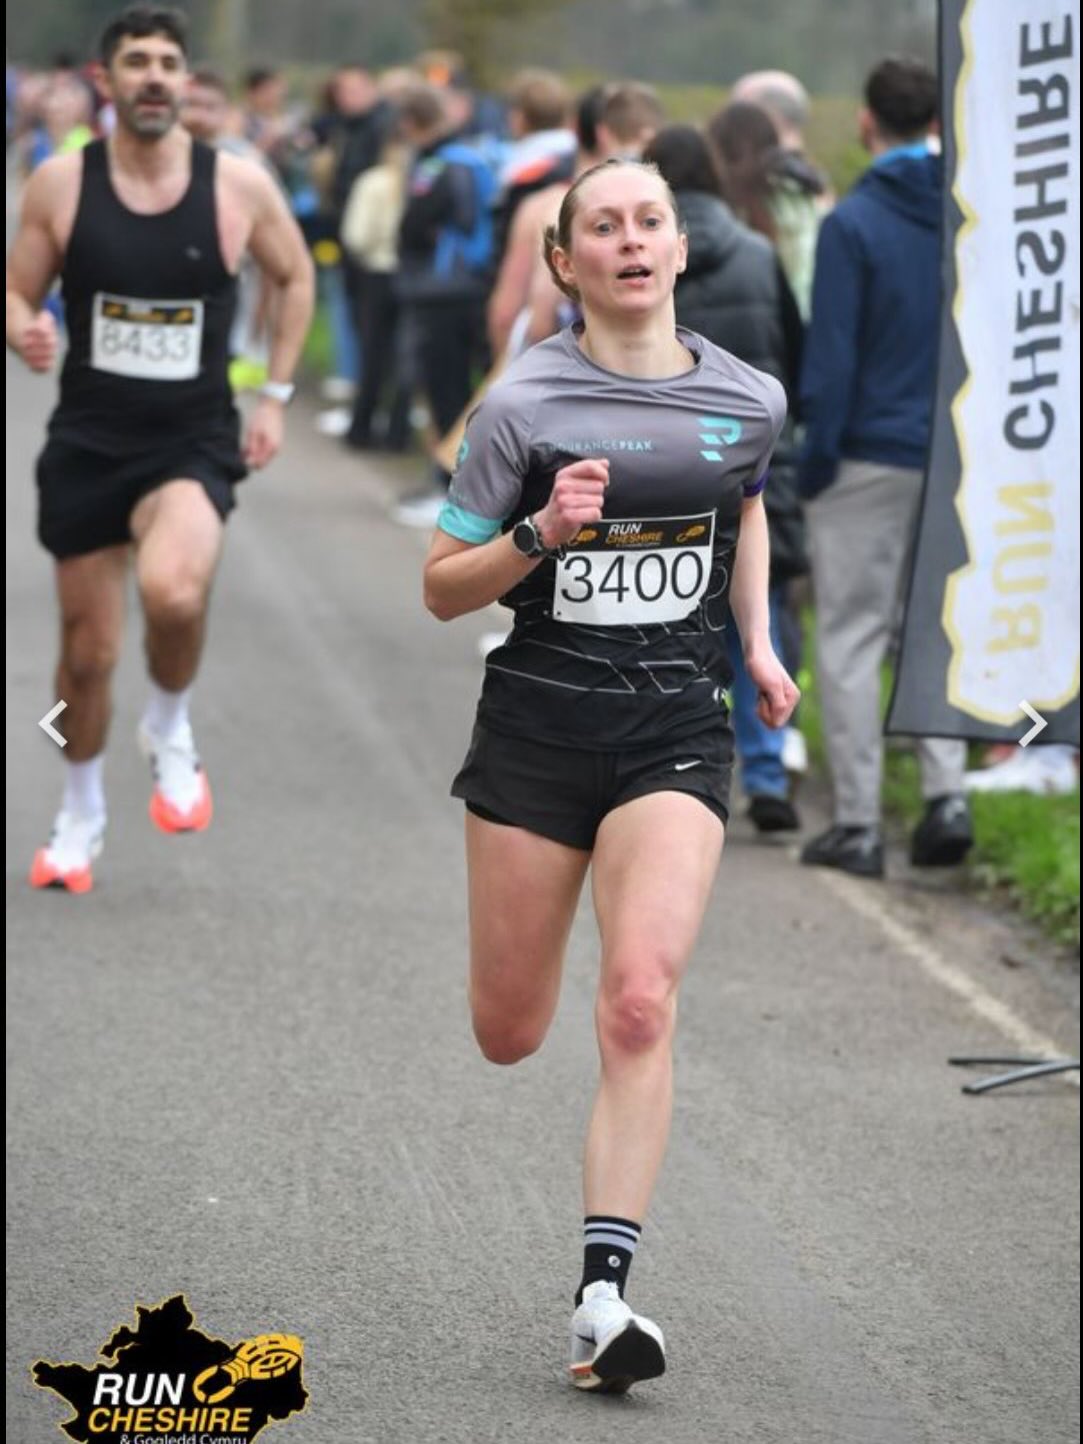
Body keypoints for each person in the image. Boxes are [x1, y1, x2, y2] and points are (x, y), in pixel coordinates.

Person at [422, 157, 798, 1392]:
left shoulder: (748, 398)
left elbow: (740, 506)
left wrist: (755, 644)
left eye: (652, 222)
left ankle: (603, 1296)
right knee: (509, 1031)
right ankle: (598, 1286)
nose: (632, 240)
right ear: (566, 261)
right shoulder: (522, 405)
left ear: (679, 251)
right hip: (536, 731)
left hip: (675, 731)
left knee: (640, 998)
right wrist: (540, 535)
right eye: (604, 226)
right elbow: (440, 585)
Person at [6, 3, 314, 893]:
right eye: (135, 61)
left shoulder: (236, 184)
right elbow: (18, 292)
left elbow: (295, 276)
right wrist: (25, 327)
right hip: (88, 443)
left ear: (185, 82)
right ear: (106, 80)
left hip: (191, 439)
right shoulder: (62, 185)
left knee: (174, 593)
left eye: (168, 63)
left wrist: (275, 396)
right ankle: (76, 798)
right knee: (82, 664)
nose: (152, 77)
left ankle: (170, 723)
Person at [797, 57, 971, 879]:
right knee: (930, 633)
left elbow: (829, 361)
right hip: (957, 456)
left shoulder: (853, 222)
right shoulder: (975, 214)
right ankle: (947, 797)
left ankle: (860, 825)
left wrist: (813, 463)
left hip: (866, 451)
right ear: (939, 120)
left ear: (868, 123)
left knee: (850, 637)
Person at [644, 122, 805, 833]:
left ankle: (669, 766)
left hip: (664, 462)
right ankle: (767, 770)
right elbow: (790, 355)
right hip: (750, 458)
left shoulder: (644, 262)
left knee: (673, 607)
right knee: (758, 606)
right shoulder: (757, 252)